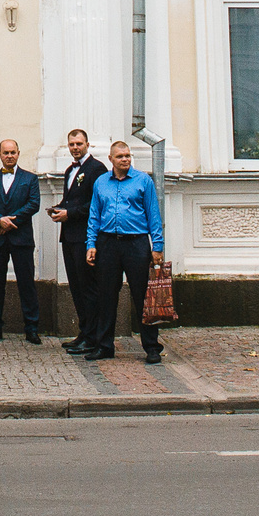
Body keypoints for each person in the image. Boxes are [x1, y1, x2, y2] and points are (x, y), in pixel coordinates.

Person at [83, 140, 165, 364]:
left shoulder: (143, 181)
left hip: (136, 244)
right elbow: (94, 216)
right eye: (120, 156)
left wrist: (157, 246)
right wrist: (91, 244)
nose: (125, 159)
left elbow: (153, 214)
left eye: (128, 156)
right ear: (111, 159)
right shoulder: (101, 182)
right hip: (108, 243)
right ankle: (104, 346)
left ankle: (151, 347)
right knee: (106, 296)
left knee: (143, 297)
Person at [0, 137, 41, 343]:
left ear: (18, 153)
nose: (9, 156)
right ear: (0, 155)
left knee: (26, 284)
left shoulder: (30, 179)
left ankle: (31, 327)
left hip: (21, 239)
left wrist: (11, 222)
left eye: (13, 152)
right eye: (6, 153)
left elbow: (34, 204)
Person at [51, 128, 100, 353]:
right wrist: (59, 209)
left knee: (88, 287)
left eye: (79, 144)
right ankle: (84, 332)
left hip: (85, 238)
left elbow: (96, 204)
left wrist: (69, 214)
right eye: (71, 145)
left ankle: (93, 337)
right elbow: (72, 199)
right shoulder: (70, 169)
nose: (75, 148)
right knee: (76, 287)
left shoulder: (96, 169)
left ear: (87, 144)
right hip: (69, 236)